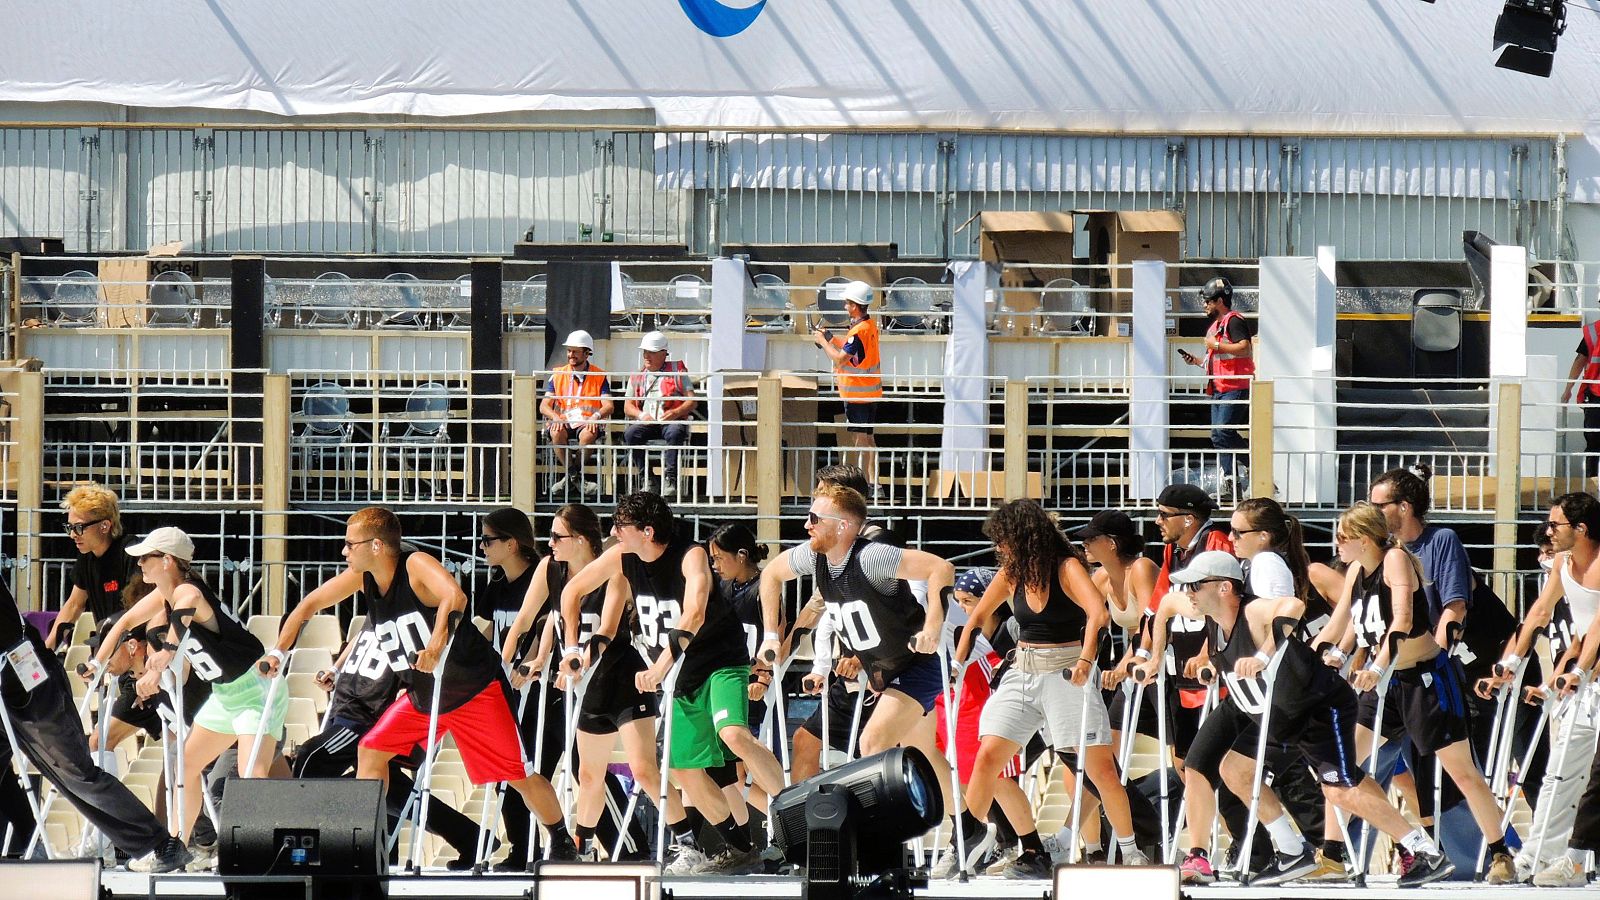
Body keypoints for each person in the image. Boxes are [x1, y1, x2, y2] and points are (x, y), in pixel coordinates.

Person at [262, 507, 579, 862]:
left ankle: (561, 837)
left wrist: (435, 645)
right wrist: (278, 651)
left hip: (472, 691)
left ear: (377, 545)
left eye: (351, 544)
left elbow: (455, 597)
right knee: (371, 750)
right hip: (425, 697)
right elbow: (307, 606)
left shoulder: (414, 565)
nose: (344, 552)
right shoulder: (362, 578)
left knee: (518, 775)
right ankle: (368, 842)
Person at [1139, 550, 1457, 888]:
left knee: (1340, 790)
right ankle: (1293, 852)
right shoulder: (1207, 615)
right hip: (1279, 716)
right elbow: (1166, 607)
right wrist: (1154, 657)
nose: (1188, 593)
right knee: (1234, 769)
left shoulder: (1253, 611)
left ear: (1223, 588)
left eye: (1195, 585)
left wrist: (1265, 654)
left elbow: (1293, 606)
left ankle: (1425, 852)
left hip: (1319, 708)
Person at [557, 492, 785, 875]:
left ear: (646, 531)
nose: (612, 533)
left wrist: (660, 666)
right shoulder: (622, 556)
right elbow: (571, 592)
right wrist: (571, 646)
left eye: (620, 527)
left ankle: (790, 807)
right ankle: (740, 848)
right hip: (682, 675)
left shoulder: (690, 554)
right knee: (680, 770)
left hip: (719, 662)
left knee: (732, 735)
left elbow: (694, 612)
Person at [1313, 502, 1515, 885]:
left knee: (1462, 772)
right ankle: (1337, 854)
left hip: (1424, 679)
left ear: (1364, 538)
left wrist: (1375, 666)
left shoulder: (1394, 559)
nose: (1336, 544)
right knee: (1339, 764)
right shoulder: (1357, 569)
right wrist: (1331, 653)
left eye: (1342, 536)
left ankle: (1500, 852)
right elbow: (1353, 621)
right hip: (1386, 685)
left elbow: (1402, 619)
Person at [954, 500, 1145, 877]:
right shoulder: (1014, 571)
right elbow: (977, 616)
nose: (999, 547)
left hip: (1065, 671)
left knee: (1100, 769)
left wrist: (1087, 661)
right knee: (989, 753)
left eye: (1004, 540)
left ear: (1023, 537)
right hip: (1022, 671)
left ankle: (1130, 850)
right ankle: (967, 839)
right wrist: (958, 665)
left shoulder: (1066, 565)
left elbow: (1098, 614)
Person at [759, 484, 959, 840]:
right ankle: (970, 825)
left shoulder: (871, 558)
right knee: (925, 752)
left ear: (844, 526)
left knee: (873, 744)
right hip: (880, 671)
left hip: (915, 664)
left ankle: (878, 839)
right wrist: (771, 636)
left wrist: (933, 625)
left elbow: (940, 568)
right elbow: (771, 574)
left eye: (815, 519)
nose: (807, 525)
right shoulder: (814, 556)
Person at [81, 527, 286, 870]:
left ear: (168, 560)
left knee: (254, 772)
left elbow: (184, 614)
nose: (140, 564)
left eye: (147, 558)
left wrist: (164, 657)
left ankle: (258, 851)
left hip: (256, 689)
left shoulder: (188, 590)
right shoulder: (163, 596)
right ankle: (176, 847)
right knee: (187, 766)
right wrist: (96, 663)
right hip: (225, 694)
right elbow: (125, 621)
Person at [506, 503, 681, 864]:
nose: (549, 542)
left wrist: (581, 658)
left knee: (642, 771)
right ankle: (578, 848)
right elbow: (532, 620)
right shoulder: (550, 569)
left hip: (617, 679)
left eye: (556, 536)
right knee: (584, 773)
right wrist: (508, 665)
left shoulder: (614, 568)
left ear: (582, 540)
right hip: (574, 686)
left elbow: (606, 629)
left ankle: (671, 842)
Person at [0, 566, 191, 871]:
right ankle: (25, 844)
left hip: (25, 674)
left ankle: (160, 844)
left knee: (74, 770)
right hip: (14, 672)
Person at [290, 616, 486, 871]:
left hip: (363, 718)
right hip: (346, 707)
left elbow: (420, 670)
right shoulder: (378, 606)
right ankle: (470, 838)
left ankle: (298, 852)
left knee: (310, 757)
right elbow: (360, 640)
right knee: (395, 793)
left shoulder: (412, 616)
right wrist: (336, 669)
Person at [1476, 492, 1600, 886]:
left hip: (1590, 675)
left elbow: (1597, 630)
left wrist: (1578, 671)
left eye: (1555, 525)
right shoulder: (1563, 564)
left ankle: (1577, 859)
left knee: (1596, 777)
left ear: (1580, 529)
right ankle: (1536, 856)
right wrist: (1510, 663)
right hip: (1588, 684)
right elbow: (1540, 613)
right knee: (1559, 772)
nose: (1548, 532)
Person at [474, 507, 566, 868]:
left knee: (539, 770)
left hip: (544, 690)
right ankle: (519, 850)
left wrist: (523, 662)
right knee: (511, 772)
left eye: (488, 540)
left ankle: (619, 845)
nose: (482, 547)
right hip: (508, 688)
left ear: (511, 543)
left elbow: (540, 626)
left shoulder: (540, 576)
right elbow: (485, 629)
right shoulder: (497, 583)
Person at [1177, 276, 1253, 498]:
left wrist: (1216, 345)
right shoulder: (1215, 327)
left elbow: (1244, 348)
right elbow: (1218, 360)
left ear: (1220, 301)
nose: (1205, 305)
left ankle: (1252, 464)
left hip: (1235, 385)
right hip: (1220, 388)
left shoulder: (1233, 320)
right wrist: (1199, 361)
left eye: (1208, 301)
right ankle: (1230, 480)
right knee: (1218, 435)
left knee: (1223, 432)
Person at [812, 281, 882, 493]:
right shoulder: (868, 326)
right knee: (868, 440)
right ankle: (873, 483)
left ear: (854, 305)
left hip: (856, 395)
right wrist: (832, 338)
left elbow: (840, 360)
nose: (844, 306)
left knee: (861, 440)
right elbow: (855, 351)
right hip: (868, 393)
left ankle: (866, 485)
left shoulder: (858, 331)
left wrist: (824, 343)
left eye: (847, 303)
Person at [539, 329, 613, 498]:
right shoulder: (558, 374)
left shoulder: (599, 375)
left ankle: (570, 477)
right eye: (569, 350)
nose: (571, 355)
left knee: (588, 434)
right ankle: (575, 476)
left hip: (588, 421)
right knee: (556, 431)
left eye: (575, 351)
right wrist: (555, 417)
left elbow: (609, 406)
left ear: (587, 354)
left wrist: (595, 417)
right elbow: (544, 406)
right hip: (564, 420)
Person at [624, 331, 697, 498]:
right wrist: (642, 415)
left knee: (675, 431)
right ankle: (648, 478)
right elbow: (628, 406)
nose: (646, 356)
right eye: (645, 352)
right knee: (630, 433)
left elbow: (692, 401)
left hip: (671, 421)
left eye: (651, 352)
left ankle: (670, 477)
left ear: (664, 354)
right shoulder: (637, 376)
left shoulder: (678, 372)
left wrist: (675, 412)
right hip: (647, 422)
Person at [1560, 319, 1600, 491]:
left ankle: (1591, 487)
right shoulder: (1593, 330)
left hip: (1595, 394)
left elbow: (1580, 360)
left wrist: (1568, 389)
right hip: (1595, 395)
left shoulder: (1593, 331)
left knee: (1594, 444)